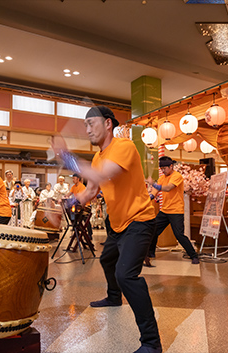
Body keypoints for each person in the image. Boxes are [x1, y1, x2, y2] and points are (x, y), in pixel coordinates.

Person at [53, 105, 162, 353]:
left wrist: (67, 156)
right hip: (118, 223)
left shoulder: (123, 146)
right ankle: (114, 297)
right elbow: (91, 190)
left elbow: (102, 175)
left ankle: (152, 343)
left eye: (92, 123)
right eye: (85, 125)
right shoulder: (97, 157)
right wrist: (68, 204)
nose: (88, 129)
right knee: (107, 260)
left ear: (108, 124)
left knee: (126, 275)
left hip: (139, 220)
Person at [146, 156, 199, 264]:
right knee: (153, 230)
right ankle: (150, 253)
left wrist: (154, 184)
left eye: (164, 168)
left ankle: (194, 256)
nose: (163, 170)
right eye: (161, 168)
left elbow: (168, 187)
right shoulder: (162, 178)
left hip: (176, 211)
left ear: (171, 166)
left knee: (179, 235)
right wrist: (150, 197)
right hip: (164, 211)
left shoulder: (177, 176)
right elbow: (156, 189)